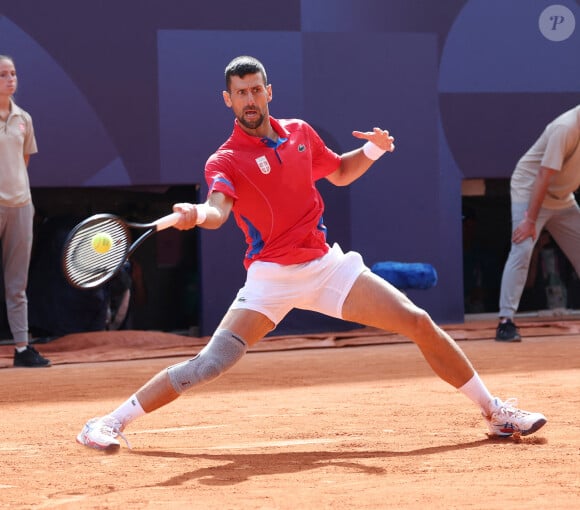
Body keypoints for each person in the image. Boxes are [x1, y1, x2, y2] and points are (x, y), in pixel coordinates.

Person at [77, 55, 546, 451]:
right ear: (228, 100)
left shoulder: (300, 133)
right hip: (270, 280)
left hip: (326, 267)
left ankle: (495, 412)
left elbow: (340, 171)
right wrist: (196, 213)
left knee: (417, 321)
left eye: (256, 91)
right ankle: (107, 423)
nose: (249, 100)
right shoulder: (224, 160)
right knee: (209, 365)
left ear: (268, 92)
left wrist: (375, 152)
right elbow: (218, 211)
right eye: (240, 93)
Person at [496, 105, 580, 342]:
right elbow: (543, 175)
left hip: (563, 199)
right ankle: (505, 322)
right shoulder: (565, 128)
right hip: (530, 192)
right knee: (522, 250)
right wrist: (529, 220)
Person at [0, 55, 51, 367]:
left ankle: (22, 348)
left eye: (13, 73)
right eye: (3, 74)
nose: (10, 79)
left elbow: (23, 161)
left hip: (20, 206)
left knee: (17, 283)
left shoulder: (23, 119)